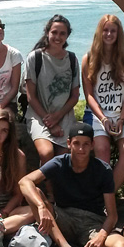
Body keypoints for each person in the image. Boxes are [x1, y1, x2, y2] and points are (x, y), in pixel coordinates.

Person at [19, 123, 124, 247]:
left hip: (92, 224)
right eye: (76, 143)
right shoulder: (59, 162)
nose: (81, 149)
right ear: (69, 143)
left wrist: (102, 236)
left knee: (123, 243)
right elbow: (24, 182)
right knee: (36, 193)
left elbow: (112, 215)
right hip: (63, 218)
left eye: (86, 144)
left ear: (92, 145)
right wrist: (42, 206)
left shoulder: (103, 170)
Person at [80, 14, 124, 193]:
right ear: (99, 32)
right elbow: (89, 95)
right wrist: (104, 118)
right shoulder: (88, 59)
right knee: (102, 149)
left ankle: (107, 196)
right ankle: (103, 199)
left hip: (123, 112)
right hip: (98, 114)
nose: (109, 34)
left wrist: (121, 119)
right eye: (105, 30)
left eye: (113, 31)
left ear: (119, 33)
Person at [23, 14, 80, 165]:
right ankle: (49, 189)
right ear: (47, 32)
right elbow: (31, 97)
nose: (58, 37)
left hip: (64, 116)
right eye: (54, 32)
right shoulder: (35, 58)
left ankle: (53, 189)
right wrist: (51, 122)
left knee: (64, 160)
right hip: (39, 115)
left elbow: (75, 96)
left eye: (62, 33)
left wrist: (58, 116)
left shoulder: (72, 60)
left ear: (67, 35)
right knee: (46, 153)